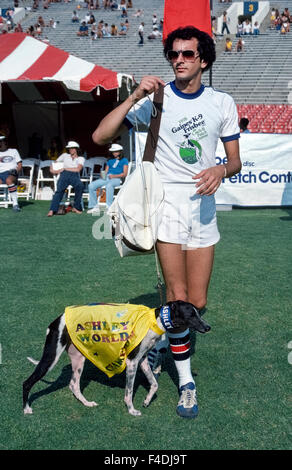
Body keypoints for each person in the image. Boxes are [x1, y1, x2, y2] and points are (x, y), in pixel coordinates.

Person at [91, 26, 241, 419]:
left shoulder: (221, 102)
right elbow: (100, 136)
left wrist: (221, 171)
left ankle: (157, 346)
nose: (179, 59)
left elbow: (236, 160)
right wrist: (134, 96)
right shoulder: (155, 100)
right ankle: (187, 383)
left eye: (188, 54)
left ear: (203, 60)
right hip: (166, 208)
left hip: (203, 210)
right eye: (174, 53)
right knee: (177, 299)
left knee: (198, 302)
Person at [87, 143, 128, 214]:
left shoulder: (124, 160)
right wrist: (102, 175)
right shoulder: (110, 161)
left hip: (117, 179)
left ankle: (109, 207)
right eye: (113, 152)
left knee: (109, 185)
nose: (114, 153)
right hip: (108, 178)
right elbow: (105, 172)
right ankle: (94, 207)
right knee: (91, 185)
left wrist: (114, 176)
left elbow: (124, 174)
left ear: (120, 152)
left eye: (116, 151)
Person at [47, 141, 84, 217]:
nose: (70, 150)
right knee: (59, 190)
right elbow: (54, 162)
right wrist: (52, 169)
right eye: (69, 148)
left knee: (80, 186)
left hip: (74, 174)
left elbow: (78, 169)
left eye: (72, 148)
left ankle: (76, 207)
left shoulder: (81, 158)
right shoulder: (65, 155)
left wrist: (65, 168)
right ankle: (52, 209)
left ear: (76, 149)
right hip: (65, 174)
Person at [0, 134, 22, 212]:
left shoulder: (13, 151)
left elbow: (19, 164)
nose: (0, 144)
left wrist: (16, 171)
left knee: (9, 180)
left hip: (11, 173)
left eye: (1, 142)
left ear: (5, 142)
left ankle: (15, 204)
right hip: (1, 174)